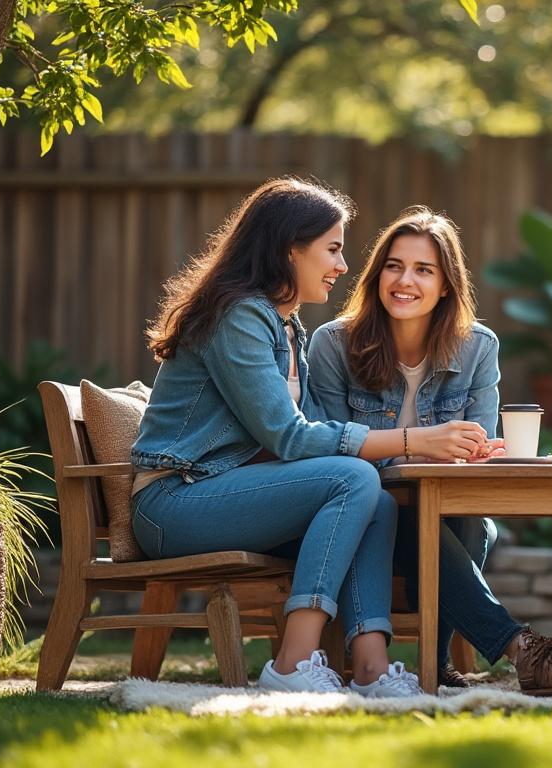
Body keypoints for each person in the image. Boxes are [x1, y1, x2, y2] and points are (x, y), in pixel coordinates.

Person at [130, 178, 419, 697]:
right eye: (332, 249)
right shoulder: (236, 316)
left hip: (228, 493)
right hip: (174, 500)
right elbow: (290, 438)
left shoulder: (288, 329)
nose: (343, 266)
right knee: (353, 477)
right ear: (290, 250)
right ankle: (291, 664)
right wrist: (408, 440)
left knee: (376, 500)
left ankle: (373, 667)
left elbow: (309, 435)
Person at [306, 205, 552, 696]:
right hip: (360, 516)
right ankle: (522, 651)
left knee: (468, 519)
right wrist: (419, 450)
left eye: (424, 270)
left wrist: (483, 456)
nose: (406, 281)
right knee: (435, 519)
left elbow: (471, 453)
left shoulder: (478, 348)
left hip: (440, 513)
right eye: (395, 266)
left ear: (446, 285)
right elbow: (329, 452)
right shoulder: (334, 344)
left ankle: (438, 662)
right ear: (377, 275)